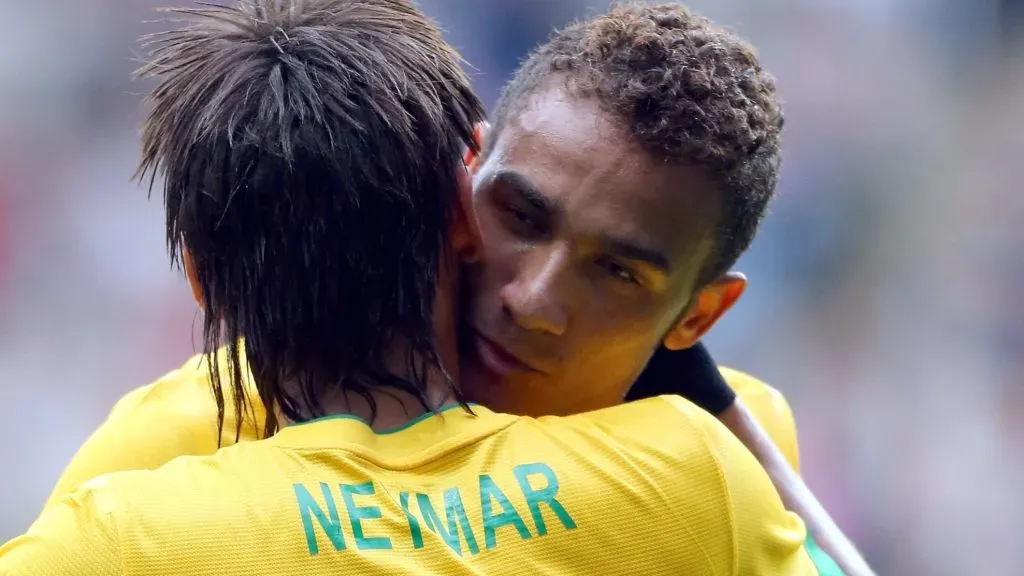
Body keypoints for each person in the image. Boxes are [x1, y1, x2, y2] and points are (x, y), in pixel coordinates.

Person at [32, 3, 868, 574]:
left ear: (699, 316)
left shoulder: (720, 461)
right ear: (462, 190)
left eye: (618, 271)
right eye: (522, 215)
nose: (533, 301)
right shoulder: (180, 437)